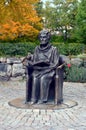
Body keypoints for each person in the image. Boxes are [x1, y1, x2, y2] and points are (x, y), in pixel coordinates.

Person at [25, 30, 59, 104]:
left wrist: (46, 69)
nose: (42, 39)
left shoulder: (54, 49)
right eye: (41, 37)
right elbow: (35, 61)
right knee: (35, 77)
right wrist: (31, 61)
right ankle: (34, 98)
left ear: (48, 38)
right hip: (38, 70)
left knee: (43, 78)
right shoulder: (37, 49)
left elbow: (56, 64)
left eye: (44, 37)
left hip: (49, 70)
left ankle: (43, 99)